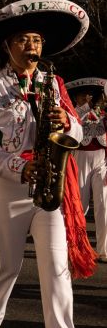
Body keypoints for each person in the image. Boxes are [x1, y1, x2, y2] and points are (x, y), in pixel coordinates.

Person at [0, 0, 97, 327]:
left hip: (50, 184)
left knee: (57, 266)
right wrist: (19, 168)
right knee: (8, 265)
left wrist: (67, 120)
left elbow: (76, 133)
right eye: (23, 40)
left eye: (36, 40)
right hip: (10, 188)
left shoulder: (54, 82)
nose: (32, 47)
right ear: (8, 46)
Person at [65, 77, 106, 262]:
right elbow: (73, 127)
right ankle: (74, 246)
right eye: (83, 95)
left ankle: (104, 249)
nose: (87, 98)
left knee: (104, 204)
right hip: (80, 157)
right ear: (76, 98)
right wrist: (84, 109)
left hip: (101, 158)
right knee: (79, 204)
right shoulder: (73, 112)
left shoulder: (103, 111)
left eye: (90, 95)